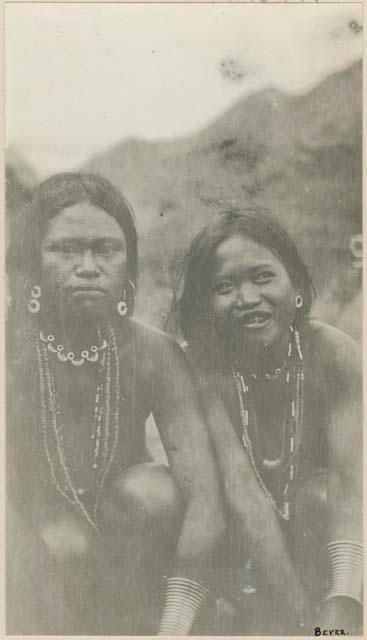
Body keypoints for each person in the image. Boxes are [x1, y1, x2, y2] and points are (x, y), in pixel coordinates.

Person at [6, 172, 225, 635]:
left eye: (106, 250)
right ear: (30, 260)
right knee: (62, 545)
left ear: (128, 264)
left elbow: (203, 497)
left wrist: (175, 625)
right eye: (66, 250)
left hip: (129, 555)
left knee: (154, 491)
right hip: (29, 550)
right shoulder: (11, 350)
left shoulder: (154, 353)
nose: (88, 266)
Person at [170, 208, 362, 635]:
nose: (247, 298)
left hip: (323, 534)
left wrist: (345, 598)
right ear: (206, 306)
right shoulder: (201, 367)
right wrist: (303, 624)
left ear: (295, 285)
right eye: (224, 286)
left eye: (262, 277)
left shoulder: (334, 354)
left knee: (319, 496)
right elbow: (243, 495)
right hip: (240, 540)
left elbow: (352, 488)